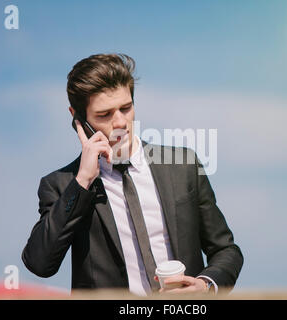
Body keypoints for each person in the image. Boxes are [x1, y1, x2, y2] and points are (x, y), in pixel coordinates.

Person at [22, 53, 243, 296]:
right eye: (104, 114)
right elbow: (40, 264)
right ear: (78, 118)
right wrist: (83, 180)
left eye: (126, 108)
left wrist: (205, 285)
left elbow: (226, 250)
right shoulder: (62, 185)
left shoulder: (183, 166)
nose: (120, 122)